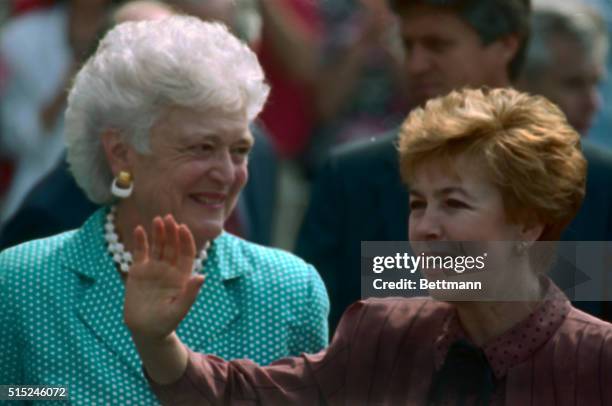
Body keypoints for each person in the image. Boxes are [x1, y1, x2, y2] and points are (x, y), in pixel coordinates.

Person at [125, 88, 612, 405]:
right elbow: (245, 397)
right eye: (419, 204)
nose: (427, 228)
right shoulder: (382, 332)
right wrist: (156, 340)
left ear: (527, 224)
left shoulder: (596, 361)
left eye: (455, 204)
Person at [0, 16, 329, 404]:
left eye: (239, 150)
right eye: (201, 148)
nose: (227, 173)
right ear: (121, 153)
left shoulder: (289, 291)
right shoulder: (22, 282)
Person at [297, 0, 612, 331]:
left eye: (438, 45)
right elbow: (321, 332)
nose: (416, 63)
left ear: (506, 45)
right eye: (407, 45)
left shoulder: (596, 180)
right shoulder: (351, 178)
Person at [516, 0, 612, 318]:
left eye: (594, 83)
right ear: (519, 83)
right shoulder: (443, 176)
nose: (593, 102)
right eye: (573, 84)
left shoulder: (603, 181)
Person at [0, 0, 115, 226]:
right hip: (38, 195)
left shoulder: (137, 26)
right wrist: (66, 85)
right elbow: (16, 137)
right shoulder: (21, 39)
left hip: (110, 199)